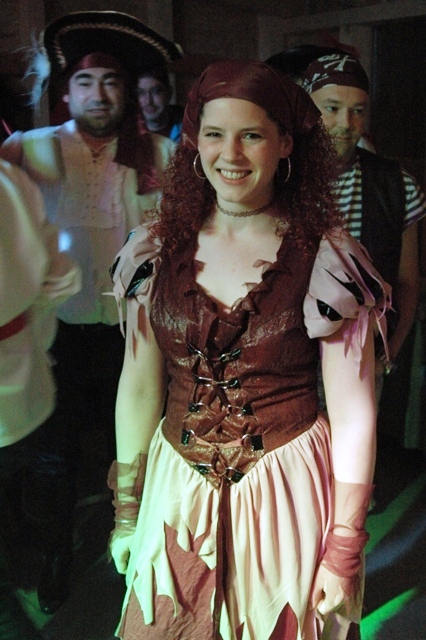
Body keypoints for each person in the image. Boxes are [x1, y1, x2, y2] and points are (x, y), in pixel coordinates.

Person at [108, 60, 391, 639]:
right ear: (196, 141)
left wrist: (343, 548)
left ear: (285, 144)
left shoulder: (328, 259)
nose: (230, 154)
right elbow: (138, 386)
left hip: (285, 491)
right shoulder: (154, 251)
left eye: (252, 135)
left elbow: (354, 414)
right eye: (215, 134)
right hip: (177, 487)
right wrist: (128, 512)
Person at [0, 10, 182, 615]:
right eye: (85, 82)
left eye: (110, 82)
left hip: (136, 339)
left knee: (131, 452)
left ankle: (130, 552)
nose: (98, 95)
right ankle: (57, 556)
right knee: (55, 461)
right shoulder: (28, 151)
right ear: (67, 92)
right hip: (57, 339)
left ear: (127, 92)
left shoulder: (161, 153)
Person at [300, 52, 425, 388]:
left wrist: (389, 352)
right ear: (307, 110)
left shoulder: (397, 185)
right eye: (332, 108)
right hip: (289, 364)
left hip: (362, 357)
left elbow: (408, 282)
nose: (346, 123)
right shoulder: (278, 178)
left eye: (357, 111)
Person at [0, 158, 80, 638]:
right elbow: (59, 276)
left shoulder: (10, 179)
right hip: (25, 374)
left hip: (25, 380)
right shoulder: (10, 178)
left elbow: (59, 274)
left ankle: (53, 557)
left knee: (47, 474)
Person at [137, 66, 184, 142]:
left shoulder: (189, 129)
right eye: (141, 93)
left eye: (155, 92)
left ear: (169, 93)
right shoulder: (127, 133)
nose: (148, 101)